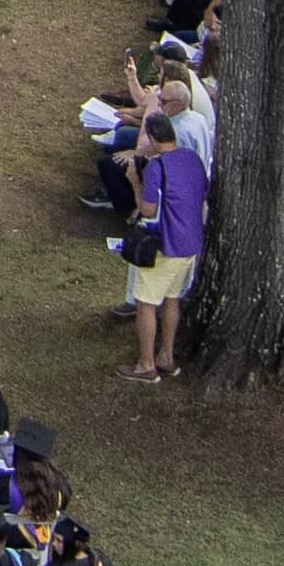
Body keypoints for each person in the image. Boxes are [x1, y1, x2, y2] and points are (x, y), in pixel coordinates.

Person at [118, 115, 202, 384]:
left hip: (165, 244)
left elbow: (148, 208)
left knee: (145, 304)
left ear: (153, 139)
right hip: (190, 243)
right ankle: (167, 356)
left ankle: (146, 365)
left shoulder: (157, 167)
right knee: (172, 300)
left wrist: (135, 183)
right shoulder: (192, 160)